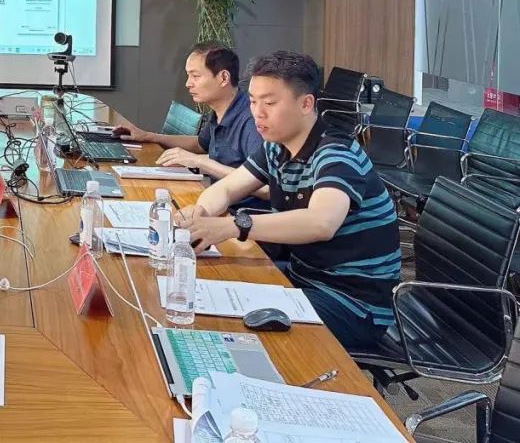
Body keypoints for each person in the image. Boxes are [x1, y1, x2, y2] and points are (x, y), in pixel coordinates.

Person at [177, 50, 401, 350]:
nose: (258, 113)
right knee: (210, 292)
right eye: (253, 101)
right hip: (305, 279)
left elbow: (321, 222)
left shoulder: (336, 154)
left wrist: (234, 226)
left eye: (269, 103)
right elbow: (228, 189)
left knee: (224, 323)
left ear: (306, 104)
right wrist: (201, 212)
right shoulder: (277, 147)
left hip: (353, 304)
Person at [115, 42, 266, 209]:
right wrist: (149, 136)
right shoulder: (221, 109)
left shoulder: (252, 121)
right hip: (218, 203)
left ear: (223, 78)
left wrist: (200, 162)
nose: (188, 83)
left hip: (242, 215)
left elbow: (266, 187)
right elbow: (199, 144)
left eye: (195, 76)